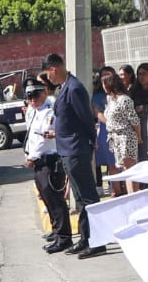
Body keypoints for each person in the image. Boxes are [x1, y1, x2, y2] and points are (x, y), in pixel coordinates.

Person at [42, 53, 104, 258]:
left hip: (76, 149)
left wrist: (90, 141)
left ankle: (98, 241)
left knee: (88, 198)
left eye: (48, 74)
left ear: (53, 69)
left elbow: (85, 118)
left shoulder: (74, 87)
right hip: (68, 149)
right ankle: (86, 238)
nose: (48, 78)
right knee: (80, 197)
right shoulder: (65, 87)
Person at [24, 82, 73, 254]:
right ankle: (56, 231)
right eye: (29, 97)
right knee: (46, 198)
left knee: (55, 200)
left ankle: (64, 238)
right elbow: (31, 136)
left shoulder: (48, 111)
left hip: (49, 160)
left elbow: (43, 139)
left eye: (36, 95)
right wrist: (28, 154)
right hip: (38, 161)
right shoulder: (33, 112)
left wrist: (31, 157)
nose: (33, 100)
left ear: (44, 93)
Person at [100, 69, 140, 198]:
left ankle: (134, 195)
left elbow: (135, 121)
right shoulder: (110, 100)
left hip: (126, 136)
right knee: (124, 168)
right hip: (115, 137)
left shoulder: (124, 99)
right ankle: (130, 195)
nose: (103, 87)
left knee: (130, 168)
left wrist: (138, 137)